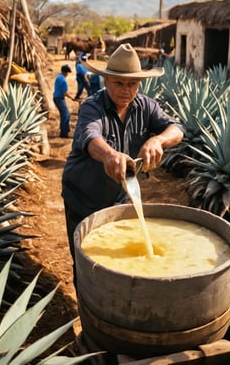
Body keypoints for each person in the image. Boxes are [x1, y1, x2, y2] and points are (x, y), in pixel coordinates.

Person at [62, 43, 184, 288]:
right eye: (118, 83)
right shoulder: (92, 107)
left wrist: (158, 139)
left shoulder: (146, 106)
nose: (126, 91)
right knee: (85, 261)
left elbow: (177, 129)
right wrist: (109, 155)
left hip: (119, 198)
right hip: (83, 197)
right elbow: (89, 136)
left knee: (114, 258)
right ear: (106, 80)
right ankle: (86, 308)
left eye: (132, 84)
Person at [53, 64, 74, 138]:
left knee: (64, 114)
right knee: (66, 115)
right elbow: (64, 92)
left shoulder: (59, 77)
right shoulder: (63, 80)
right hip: (59, 98)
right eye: (67, 72)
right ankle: (64, 133)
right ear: (65, 72)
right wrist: (72, 98)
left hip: (56, 97)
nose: (68, 74)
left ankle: (64, 131)